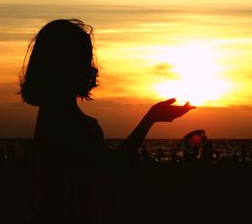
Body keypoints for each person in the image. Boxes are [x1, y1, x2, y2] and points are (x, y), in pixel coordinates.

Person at [19, 19, 196, 224]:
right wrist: (150, 119)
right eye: (83, 57)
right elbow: (110, 167)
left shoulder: (53, 114)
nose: (90, 65)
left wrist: (151, 118)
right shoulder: (63, 119)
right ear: (64, 65)